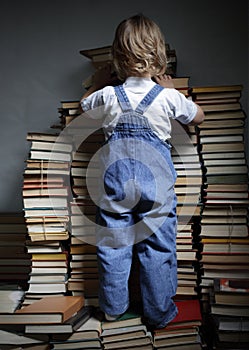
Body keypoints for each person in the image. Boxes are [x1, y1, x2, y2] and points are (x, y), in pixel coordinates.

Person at [80, 14, 204, 329]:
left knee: (114, 248)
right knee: (158, 249)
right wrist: (175, 89)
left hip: (116, 188)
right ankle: (158, 314)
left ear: (117, 58)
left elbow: (84, 107)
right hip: (157, 191)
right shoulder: (168, 97)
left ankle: (112, 309)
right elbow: (198, 117)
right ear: (159, 56)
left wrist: (97, 84)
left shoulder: (107, 96)